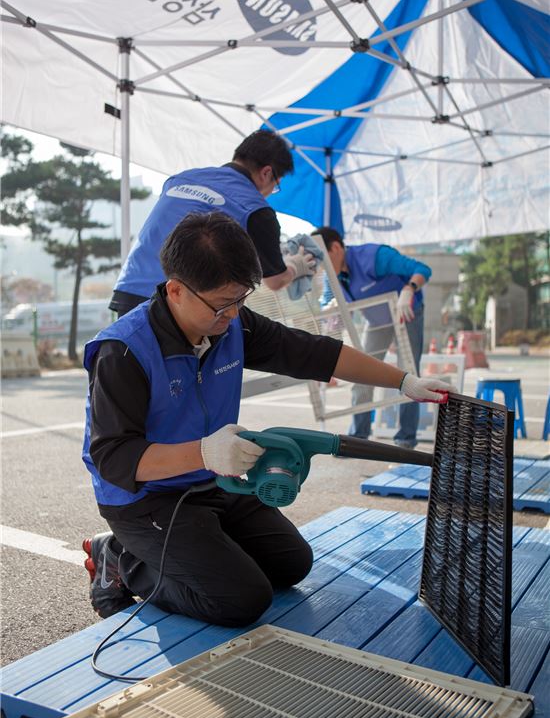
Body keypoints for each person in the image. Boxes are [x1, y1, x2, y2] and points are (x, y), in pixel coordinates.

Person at [83, 212, 453, 626]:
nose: (235, 316)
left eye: (242, 300)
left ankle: (197, 542)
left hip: (213, 480)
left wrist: (403, 381)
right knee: (240, 600)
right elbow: (114, 460)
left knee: (292, 564)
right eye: (223, 305)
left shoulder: (230, 325)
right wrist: (205, 452)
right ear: (176, 291)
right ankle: (120, 559)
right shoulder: (125, 351)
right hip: (145, 500)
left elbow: (312, 351)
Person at [110, 129, 315, 316]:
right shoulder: (256, 209)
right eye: (276, 186)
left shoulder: (181, 179)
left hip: (128, 292)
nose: (271, 193)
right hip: (174, 306)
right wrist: (295, 266)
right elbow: (275, 280)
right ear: (266, 173)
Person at [312, 226, 432, 448]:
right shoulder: (332, 276)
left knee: (408, 374)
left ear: (336, 247)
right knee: (361, 372)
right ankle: (358, 438)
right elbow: (328, 306)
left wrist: (409, 290)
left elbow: (422, 269)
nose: (320, 265)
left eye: (322, 256)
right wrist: (333, 313)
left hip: (406, 314)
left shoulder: (374, 256)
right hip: (376, 322)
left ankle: (406, 439)